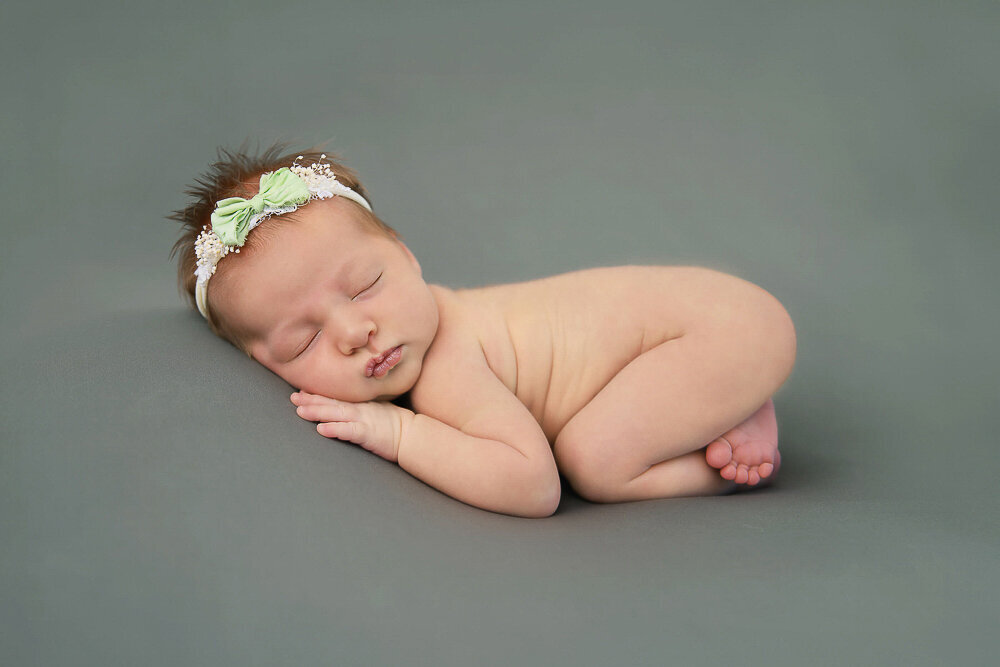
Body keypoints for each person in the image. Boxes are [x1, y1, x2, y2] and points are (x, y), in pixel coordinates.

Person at [170, 143, 796, 518]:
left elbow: (532, 484)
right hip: (709, 323)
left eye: (364, 287)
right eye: (301, 343)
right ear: (263, 365)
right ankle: (724, 399)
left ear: (408, 257)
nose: (356, 331)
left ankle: (729, 451)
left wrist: (396, 431)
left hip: (715, 329)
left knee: (593, 464)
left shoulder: (447, 366)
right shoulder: (424, 329)